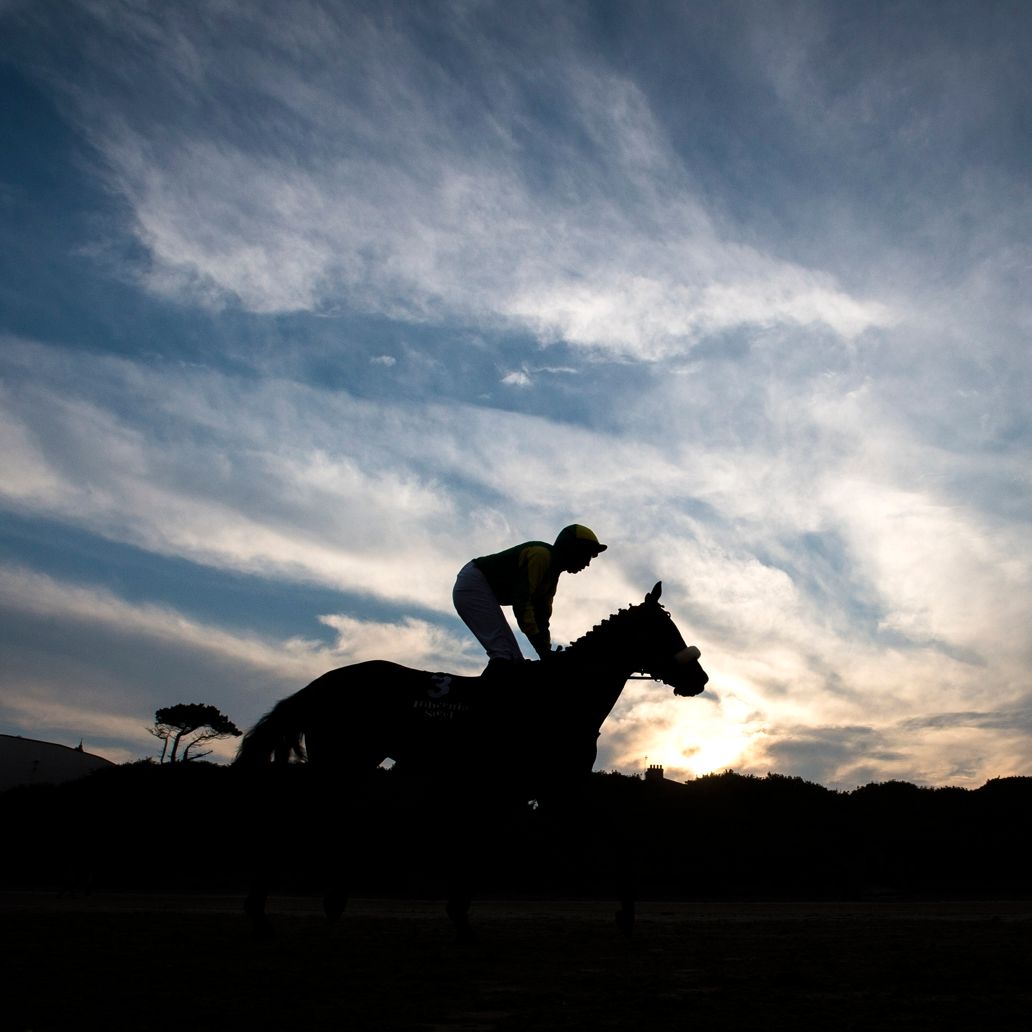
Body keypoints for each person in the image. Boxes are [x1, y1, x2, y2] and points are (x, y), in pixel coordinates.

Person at [453, 524, 607, 668]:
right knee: (504, 655)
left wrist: (545, 650)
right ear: (572, 549)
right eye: (587, 555)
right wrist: (543, 651)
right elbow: (522, 605)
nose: (587, 563)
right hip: (473, 584)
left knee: (515, 661)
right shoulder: (541, 556)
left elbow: (542, 616)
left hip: (478, 586)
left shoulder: (552, 576)